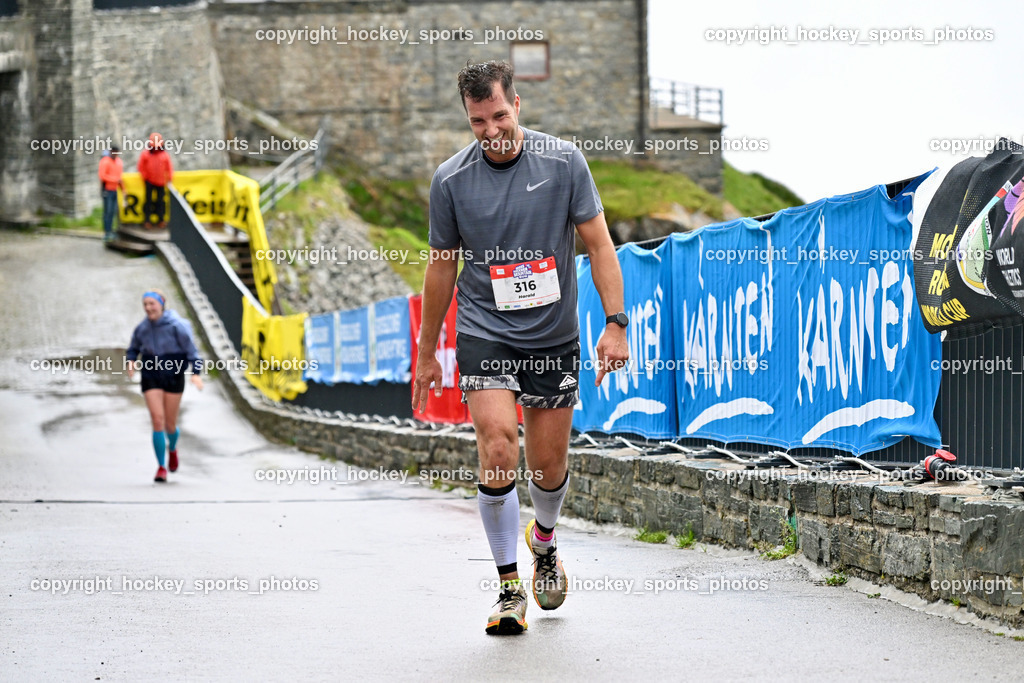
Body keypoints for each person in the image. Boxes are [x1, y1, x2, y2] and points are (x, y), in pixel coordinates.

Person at [412, 60, 629, 635]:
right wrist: (428, 350)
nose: (490, 130)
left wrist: (616, 323)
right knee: (499, 449)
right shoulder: (451, 180)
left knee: (550, 466)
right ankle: (509, 588)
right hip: (485, 331)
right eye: (477, 121)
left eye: (499, 116)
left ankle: (546, 541)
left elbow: (600, 246)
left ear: (517, 106)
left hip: (553, 337)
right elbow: (440, 267)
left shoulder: (563, 163)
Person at [126, 290, 203, 483]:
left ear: (161, 304)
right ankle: (161, 467)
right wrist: (131, 361)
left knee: (170, 424)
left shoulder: (178, 326)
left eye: (152, 303)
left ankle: (173, 449)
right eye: (145, 304)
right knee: (157, 420)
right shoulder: (142, 328)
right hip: (151, 373)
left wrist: (196, 374)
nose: (148, 308)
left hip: (173, 373)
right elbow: (134, 348)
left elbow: (192, 351)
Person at [137, 132, 174, 229]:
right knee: (148, 201)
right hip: (149, 182)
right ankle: (147, 220)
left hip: (161, 182)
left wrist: (170, 178)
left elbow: (169, 168)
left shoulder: (165, 155)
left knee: (161, 202)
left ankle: (161, 220)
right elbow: (141, 167)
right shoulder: (145, 154)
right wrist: (146, 177)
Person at [98, 146, 124, 242]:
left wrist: (123, 189)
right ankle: (107, 231)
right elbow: (102, 176)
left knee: (114, 211)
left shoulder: (119, 162)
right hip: (107, 190)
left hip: (115, 190)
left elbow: (120, 177)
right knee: (108, 211)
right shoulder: (105, 161)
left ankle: (112, 230)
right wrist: (115, 180)